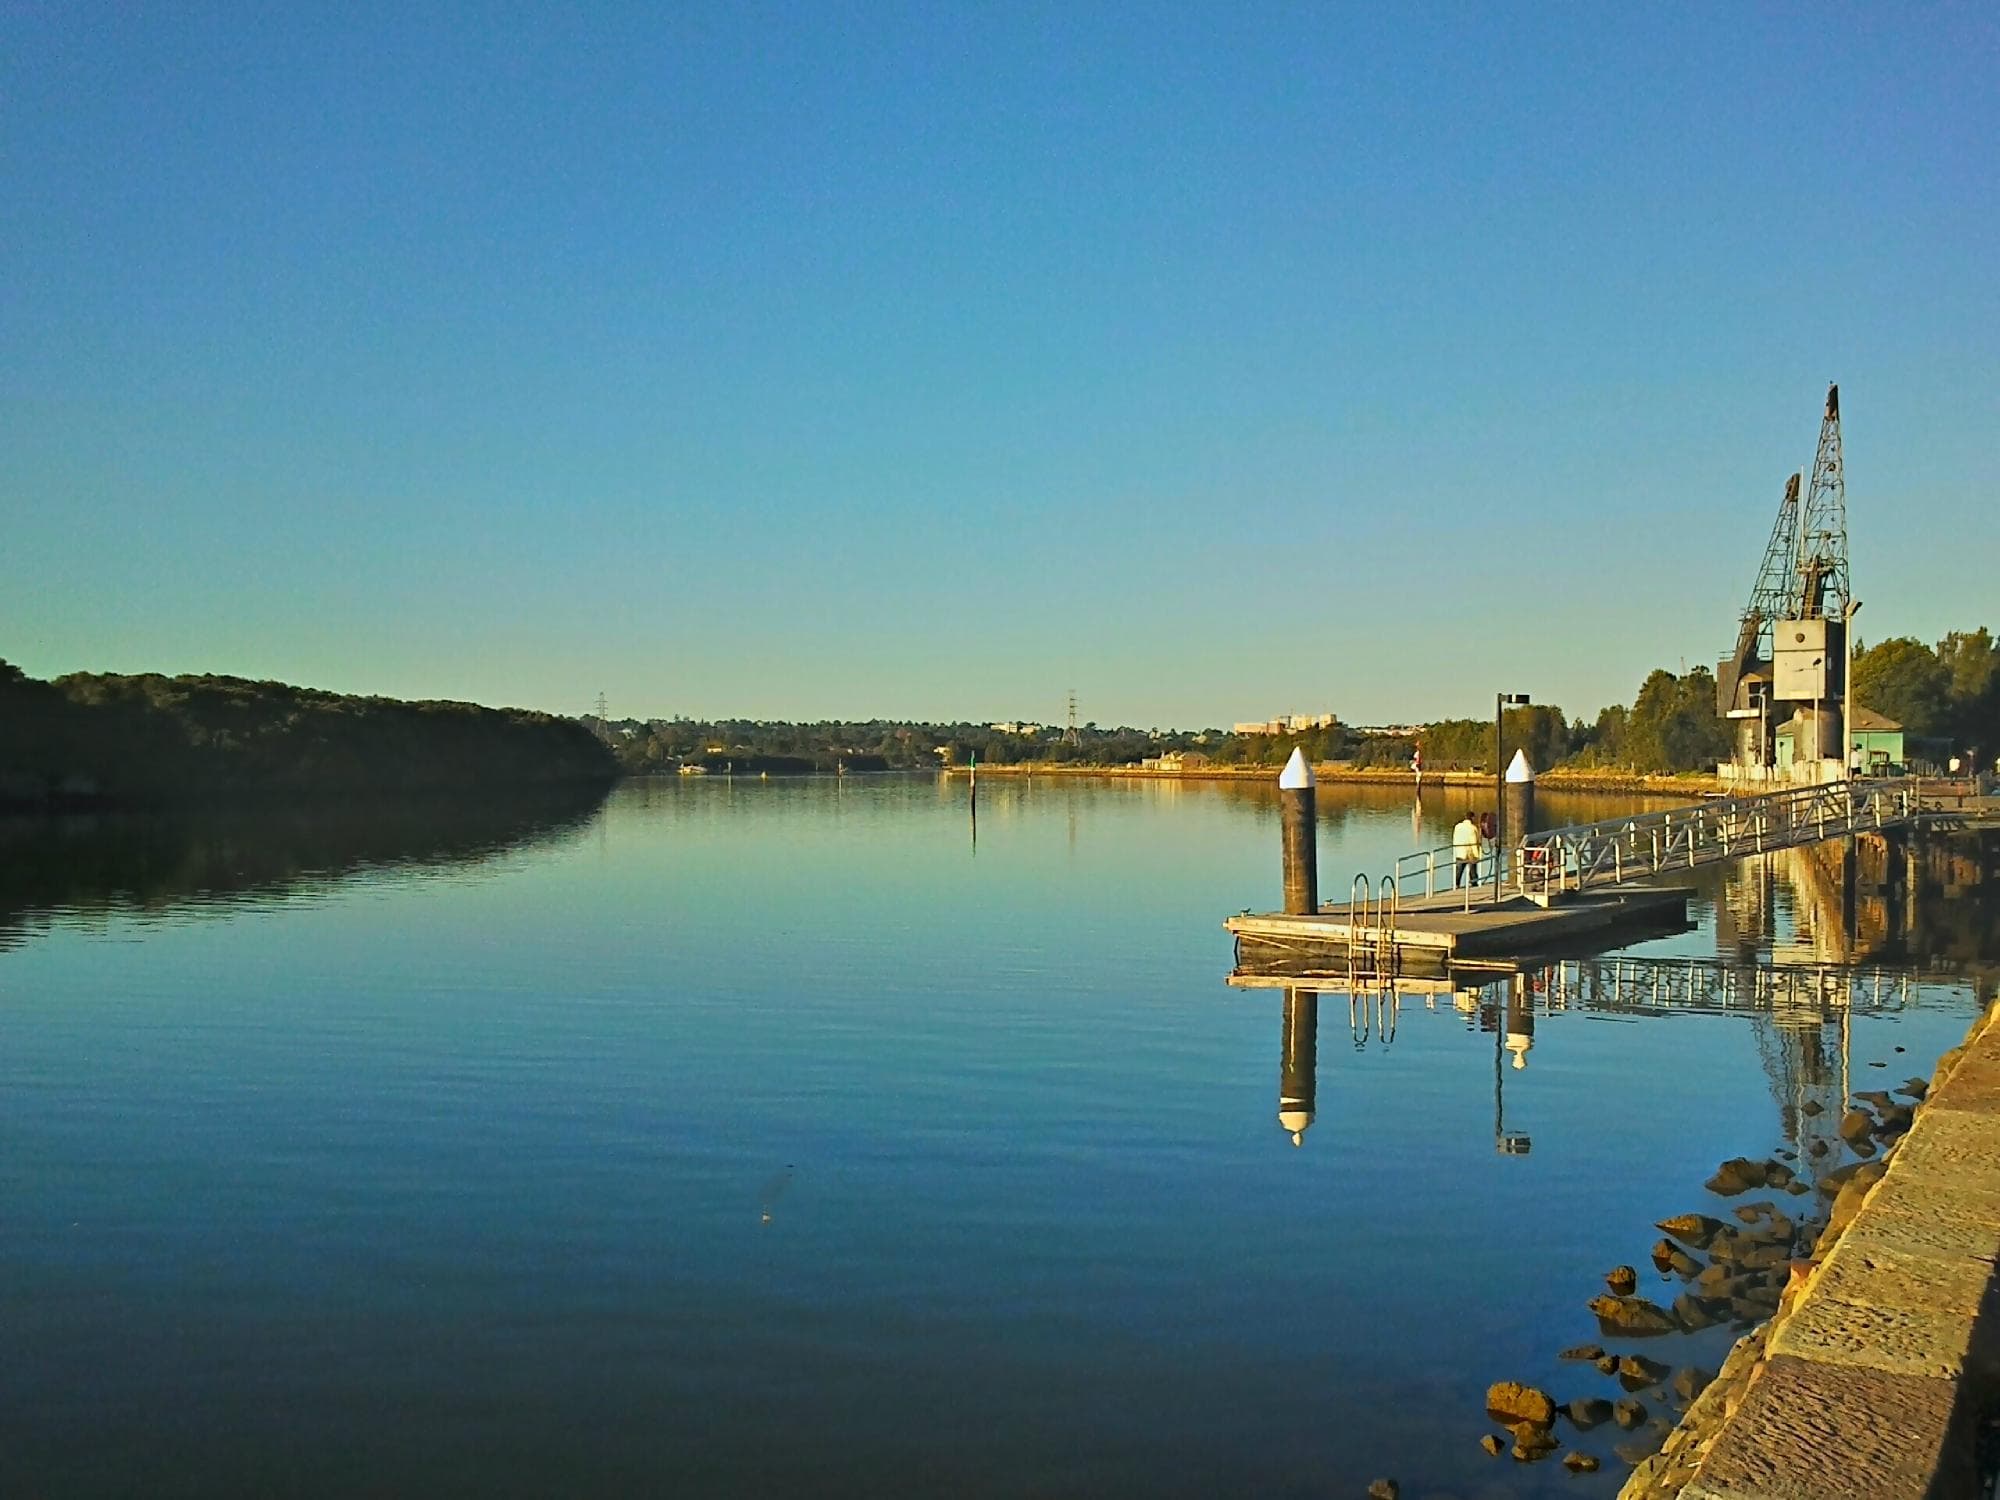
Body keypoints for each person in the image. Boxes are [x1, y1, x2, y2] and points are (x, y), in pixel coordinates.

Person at [1453, 811, 1484, 889]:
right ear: (1472, 818)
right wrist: (1477, 855)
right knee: (1473, 870)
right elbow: (1473, 841)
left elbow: (1455, 838)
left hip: (1459, 851)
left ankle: (1456, 884)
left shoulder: (1457, 826)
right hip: (1469, 852)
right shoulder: (1472, 828)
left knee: (1459, 870)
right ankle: (1474, 884)